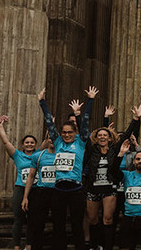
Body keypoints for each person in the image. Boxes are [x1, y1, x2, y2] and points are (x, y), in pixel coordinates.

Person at [40, 86, 95, 250]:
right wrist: (42, 102)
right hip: (58, 190)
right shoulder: (57, 142)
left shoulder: (80, 142)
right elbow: (49, 122)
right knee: (58, 225)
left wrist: (90, 101)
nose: (66, 135)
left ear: (74, 132)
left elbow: (85, 123)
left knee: (77, 225)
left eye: (69, 132)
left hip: (76, 189)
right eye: (64, 132)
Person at [85, 105, 141, 250]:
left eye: (105, 135)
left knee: (108, 219)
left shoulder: (114, 149)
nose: (102, 137)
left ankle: (107, 247)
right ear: (96, 138)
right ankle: (95, 245)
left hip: (109, 188)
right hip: (93, 188)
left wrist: (136, 119)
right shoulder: (92, 150)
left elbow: (127, 134)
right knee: (92, 219)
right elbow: (83, 131)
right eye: (100, 136)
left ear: (110, 138)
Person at [0, 116, 37, 250]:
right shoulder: (17, 155)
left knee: (32, 220)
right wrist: (0, 125)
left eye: (32, 142)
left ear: (35, 144)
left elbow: (48, 140)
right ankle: (16, 245)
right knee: (18, 219)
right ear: (23, 145)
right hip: (20, 189)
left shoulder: (39, 154)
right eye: (27, 142)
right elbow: (5, 142)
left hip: (35, 190)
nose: (29, 144)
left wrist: (51, 122)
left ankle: (29, 245)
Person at [109, 135, 141, 250]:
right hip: (129, 217)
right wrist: (121, 154)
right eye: (138, 159)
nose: (140, 161)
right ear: (133, 161)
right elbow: (113, 171)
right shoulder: (127, 175)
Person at [21, 134, 56, 250]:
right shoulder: (38, 155)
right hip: (42, 192)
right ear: (46, 140)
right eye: (50, 137)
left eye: (55, 137)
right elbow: (31, 176)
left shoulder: (63, 154)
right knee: (38, 223)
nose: (52, 140)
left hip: (58, 192)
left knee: (59, 223)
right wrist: (25, 197)